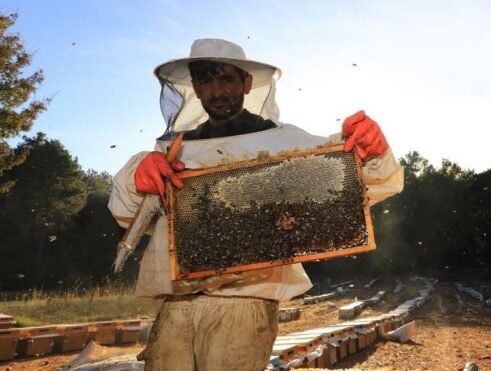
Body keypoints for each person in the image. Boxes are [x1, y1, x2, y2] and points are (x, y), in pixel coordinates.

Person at [108, 38, 403, 371]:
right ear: (195, 86)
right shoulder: (174, 150)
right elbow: (125, 213)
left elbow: (361, 180)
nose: (216, 90)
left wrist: (371, 149)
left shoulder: (283, 142)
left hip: (245, 304)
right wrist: (138, 177)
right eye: (206, 79)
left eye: (225, 79)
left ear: (246, 83)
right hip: (176, 306)